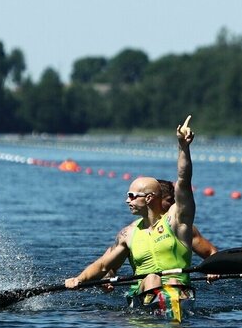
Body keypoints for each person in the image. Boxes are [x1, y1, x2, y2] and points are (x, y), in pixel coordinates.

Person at [65, 115, 197, 306]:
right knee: (152, 278)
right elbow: (103, 265)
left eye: (132, 196)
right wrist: (79, 279)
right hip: (144, 293)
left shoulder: (176, 222)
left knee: (174, 282)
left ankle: (169, 315)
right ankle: (158, 316)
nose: (127, 200)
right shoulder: (128, 234)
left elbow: (183, 182)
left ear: (149, 198)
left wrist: (183, 148)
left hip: (179, 291)